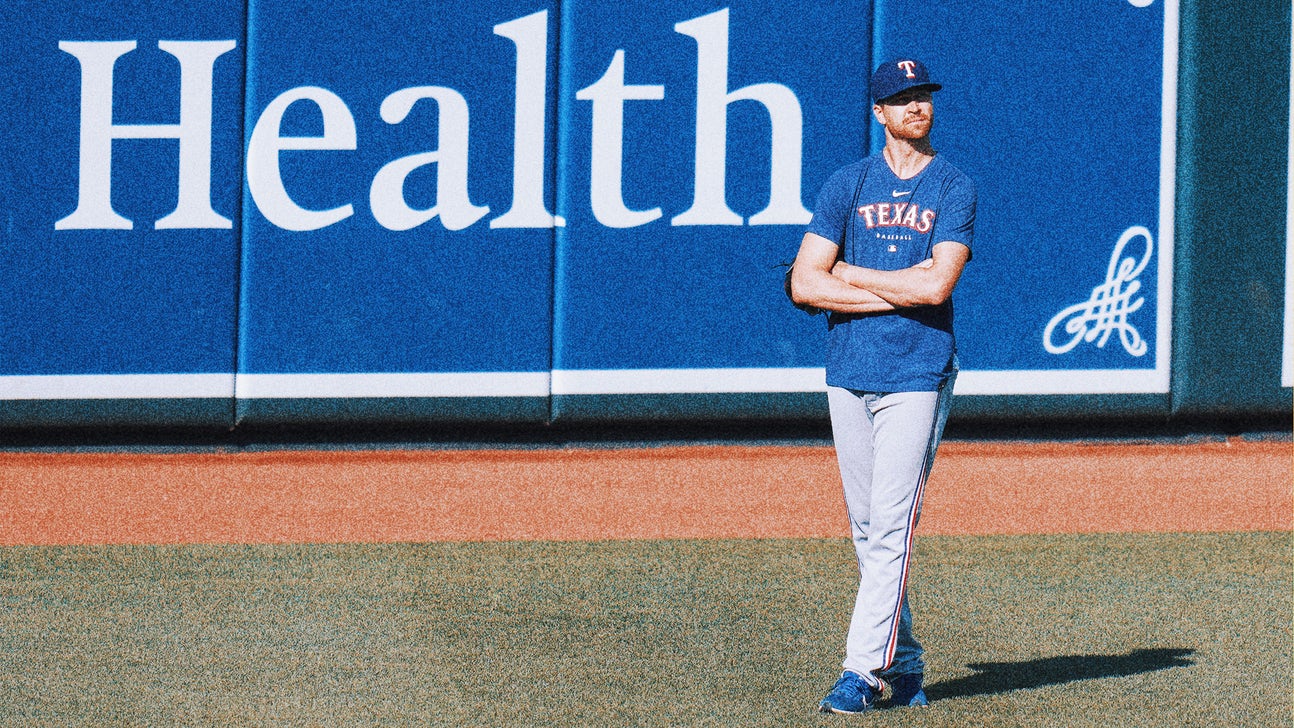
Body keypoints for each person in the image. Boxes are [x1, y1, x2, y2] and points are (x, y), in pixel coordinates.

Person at [789, 57, 976, 714]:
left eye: (923, 93)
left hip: (918, 371)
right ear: (879, 112)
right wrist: (882, 288)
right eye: (902, 98)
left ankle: (861, 672)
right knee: (867, 527)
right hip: (849, 369)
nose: (916, 106)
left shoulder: (953, 186)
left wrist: (854, 277)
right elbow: (804, 284)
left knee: (893, 523)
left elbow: (936, 285)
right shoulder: (849, 184)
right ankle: (911, 662)